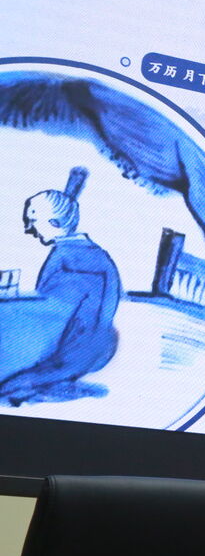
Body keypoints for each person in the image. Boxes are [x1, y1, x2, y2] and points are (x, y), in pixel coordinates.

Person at [2, 166, 121, 405]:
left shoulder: (69, 257)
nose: (28, 228)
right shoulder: (93, 256)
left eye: (33, 221)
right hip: (94, 351)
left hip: (71, 353)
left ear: (54, 222)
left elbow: (54, 316)